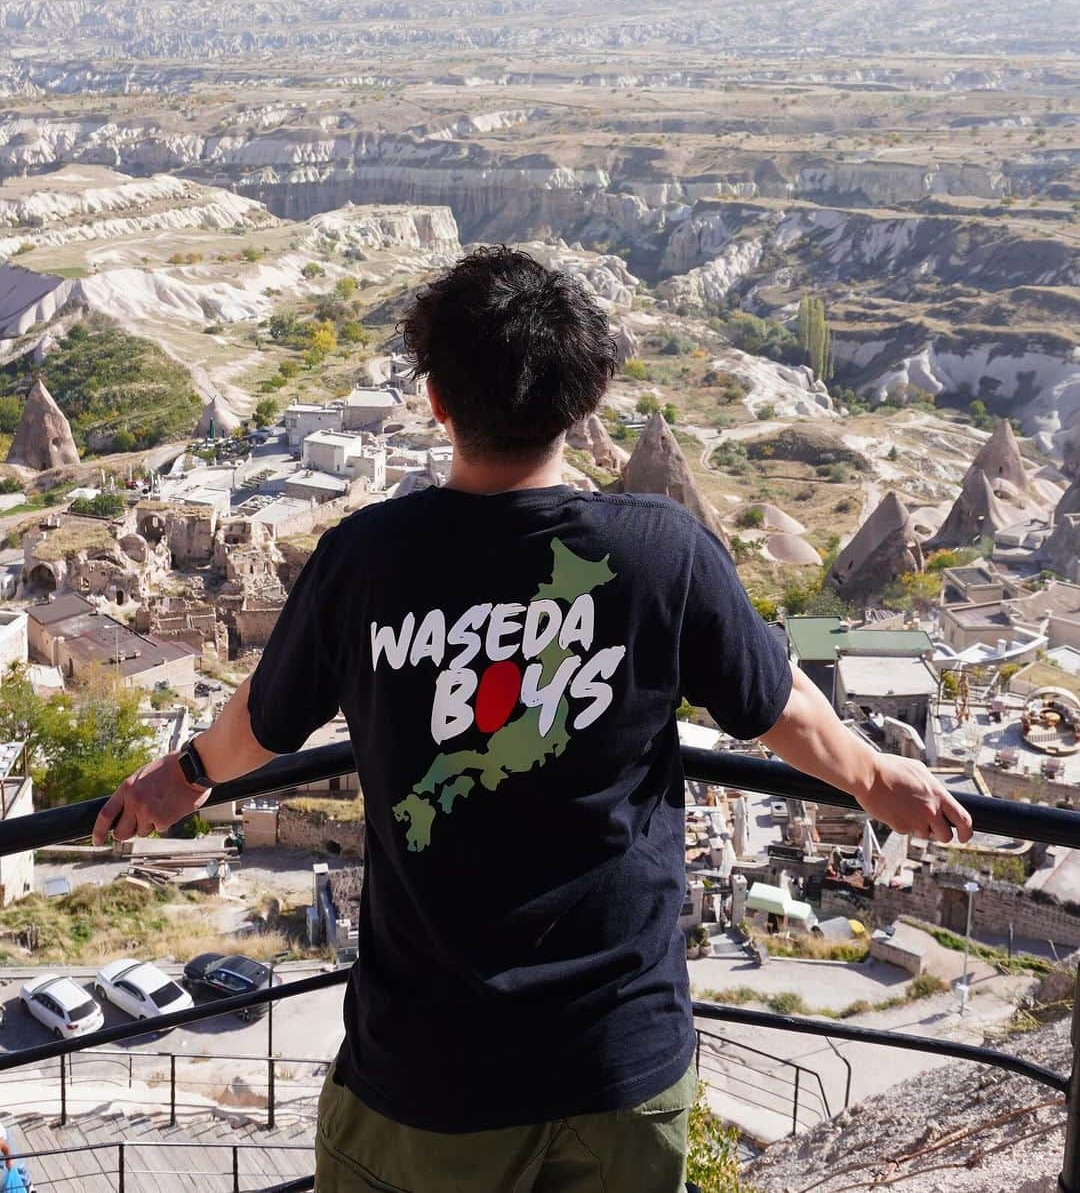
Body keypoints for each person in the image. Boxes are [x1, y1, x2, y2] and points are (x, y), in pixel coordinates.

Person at [93, 246, 973, 1192]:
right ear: (582, 402)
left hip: (429, 1076)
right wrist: (877, 777)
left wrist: (181, 775)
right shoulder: (661, 551)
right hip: (616, 1072)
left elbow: (257, 733)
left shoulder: (365, 559)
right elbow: (780, 702)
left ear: (436, 399)